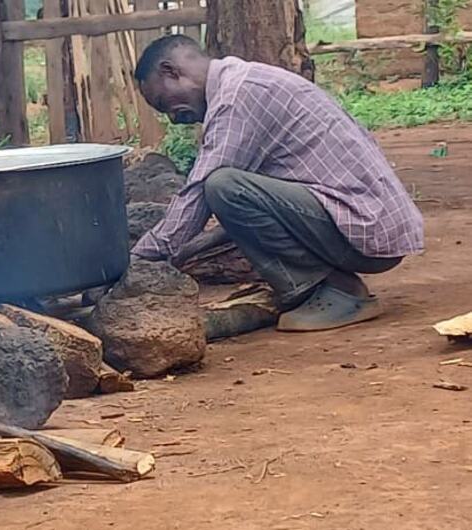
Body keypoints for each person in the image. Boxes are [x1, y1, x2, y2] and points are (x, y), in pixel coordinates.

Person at [131, 34, 424, 332]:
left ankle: (336, 291)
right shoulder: (243, 81)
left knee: (222, 186)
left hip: (366, 228)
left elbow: (199, 193)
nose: (172, 118)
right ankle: (327, 284)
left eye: (162, 102)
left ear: (171, 71)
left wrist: (138, 259)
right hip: (367, 220)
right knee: (227, 188)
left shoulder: (237, 97)